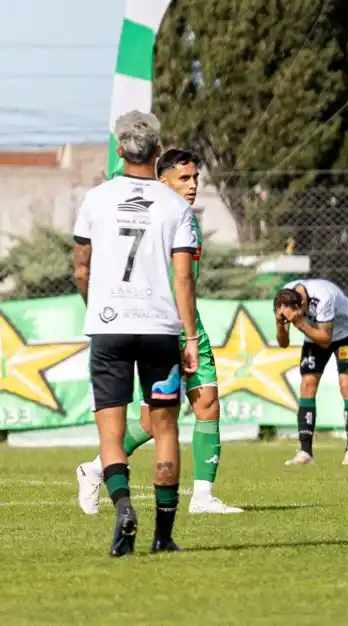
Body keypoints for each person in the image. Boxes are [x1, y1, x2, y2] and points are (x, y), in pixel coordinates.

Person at [76, 148, 242, 516]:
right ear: (161, 179)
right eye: (184, 178)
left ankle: (202, 496)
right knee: (153, 421)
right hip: (156, 325)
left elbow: (187, 280)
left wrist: (192, 329)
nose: (193, 184)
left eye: (196, 178)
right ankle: (95, 469)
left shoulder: (184, 217)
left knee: (207, 402)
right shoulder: (157, 215)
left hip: (185, 323)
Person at [72, 110, 199, 556]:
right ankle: (163, 536)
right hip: (159, 330)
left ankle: (124, 508)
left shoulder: (95, 199)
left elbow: (81, 269)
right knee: (165, 430)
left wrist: (99, 309)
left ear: (119, 148)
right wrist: (190, 338)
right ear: (158, 151)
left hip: (109, 329)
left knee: (112, 434)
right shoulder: (177, 206)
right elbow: (183, 278)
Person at [274, 278, 348, 466]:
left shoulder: (323, 297)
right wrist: (279, 323)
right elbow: (283, 344)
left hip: (345, 334)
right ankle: (306, 452)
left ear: (303, 304)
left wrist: (299, 322)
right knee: (307, 385)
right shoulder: (285, 297)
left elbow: (326, 340)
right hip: (314, 335)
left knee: (346, 385)